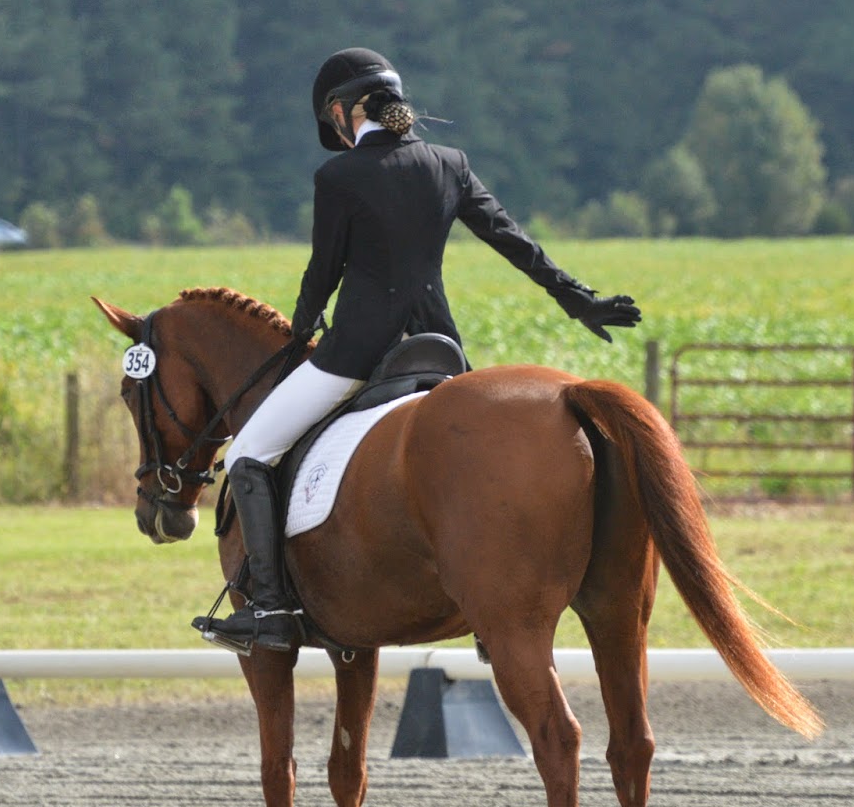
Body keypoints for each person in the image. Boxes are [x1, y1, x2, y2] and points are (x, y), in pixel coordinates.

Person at [204, 47, 640, 652]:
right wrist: (579, 300)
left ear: (340, 112)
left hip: (356, 356)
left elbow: (323, 271)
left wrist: (301, 332)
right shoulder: (449, 163)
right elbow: (513, 241)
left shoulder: (338, 177)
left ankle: (272, 608)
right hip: (439, 351)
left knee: (249, 452)